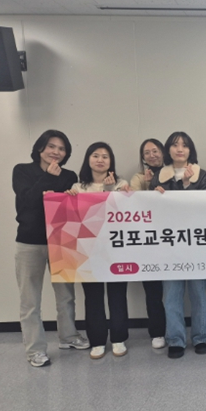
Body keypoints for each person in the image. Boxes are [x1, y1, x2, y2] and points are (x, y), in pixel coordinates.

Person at [13, 130, 90, 367]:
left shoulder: (69, 176)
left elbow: (68, 208)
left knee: (66, 295)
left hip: (61, 241)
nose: (56, 152)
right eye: (51, 146)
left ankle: (68, 336)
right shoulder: (22, 171)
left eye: (61, 148)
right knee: (30, 300)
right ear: (40, 148)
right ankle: (35, 350)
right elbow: (27, 201)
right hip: (30, 242)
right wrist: (47, 178)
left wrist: (70, 196)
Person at [66, 142, 131, 359]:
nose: (100, 160)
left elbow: (125, 211)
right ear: (88, 159)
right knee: (92, 297)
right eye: (95, 155)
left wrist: (111, 191)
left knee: (117, 295)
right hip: (88, 251)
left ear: (111, 161)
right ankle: (97, 340)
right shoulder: (78, 187)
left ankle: (119, 338)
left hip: (116, 249)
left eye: (105, 156)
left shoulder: (122, 184)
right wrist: (67, 198)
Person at [150, 132, 206, 359]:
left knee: (198, 294)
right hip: (168, 245)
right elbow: (154, 211)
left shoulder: (201, 175)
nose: (179, 149)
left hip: (196, 244)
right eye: (175, 145)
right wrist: (154, 196)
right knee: (171, 296)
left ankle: (201, 337)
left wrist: (186, 185)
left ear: (190, 150)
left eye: (184, 145)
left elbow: (200, 208)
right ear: (168, 149)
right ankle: (175, 339)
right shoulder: (159, 176)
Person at [129, 138, 167, 350]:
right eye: (147, 152)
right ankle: (157, 331)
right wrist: (148, 185)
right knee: (153, 291)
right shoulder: (138, 177)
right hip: (148, 242)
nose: (152, 155)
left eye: (155, 151)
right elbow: (133, 202)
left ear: (163, 152)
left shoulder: (174, 171)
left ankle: (176, 330)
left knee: (174, 291)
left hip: (173, 239)